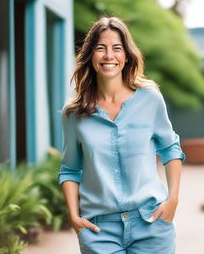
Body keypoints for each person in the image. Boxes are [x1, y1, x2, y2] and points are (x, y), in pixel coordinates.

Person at [58, 16, 185, 254]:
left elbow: (170, 149)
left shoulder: (150, 99)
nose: (109, 56)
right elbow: (70, 169)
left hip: (151, 223)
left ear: (126, 56)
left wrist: (173, 200)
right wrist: (75, 218)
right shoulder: (74, 113)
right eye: (100, 48)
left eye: (117, 48)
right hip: (99, 231)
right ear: (90, 56)